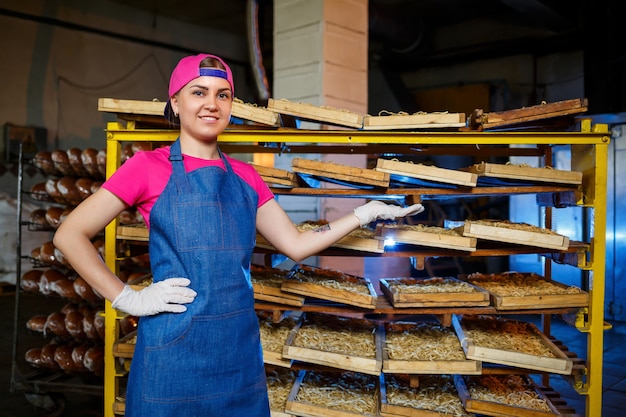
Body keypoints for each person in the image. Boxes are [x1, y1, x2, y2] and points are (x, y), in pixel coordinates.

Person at [53, 53, 424, 416]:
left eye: (222, 94)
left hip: (236, 349)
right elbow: (69, 235)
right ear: (176, 103)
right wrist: (128, 299)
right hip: (171, 349)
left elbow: (296, 245)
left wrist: (364, 213)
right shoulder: (147, 167)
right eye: (198, 92)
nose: (211, 104)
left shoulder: (247, 177)